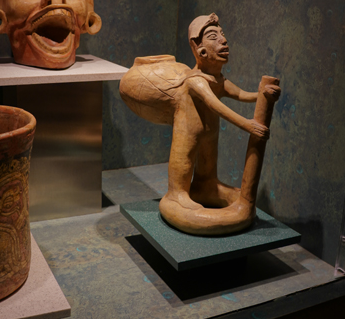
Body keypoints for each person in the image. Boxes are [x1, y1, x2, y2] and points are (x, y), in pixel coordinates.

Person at [120, 13, 280, 234]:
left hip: (210, 134)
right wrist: (247, 125)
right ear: (201, 51)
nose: (224, 40)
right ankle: (177, 196)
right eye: (214, 37)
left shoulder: (218, 79)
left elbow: (242, 94)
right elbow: (216, 106)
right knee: (184, 163)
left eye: (222, 34)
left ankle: (206, 185)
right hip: (188, 133)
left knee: (208, 165)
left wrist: (261, 94)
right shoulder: (195, 81)